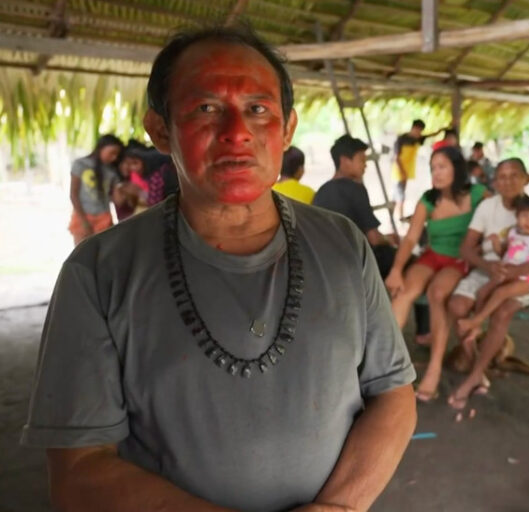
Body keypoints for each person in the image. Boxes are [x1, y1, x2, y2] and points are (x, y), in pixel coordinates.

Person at [22, 24, 417, 512]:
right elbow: (79, 471)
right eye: (206, 108)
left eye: (258, 109)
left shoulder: (343, 244)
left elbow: (393, 394)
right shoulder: (99, 271)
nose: (237, 132)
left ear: (287, 128)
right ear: (160, 130)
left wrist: (339, 507)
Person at [448, 158, 529, 406]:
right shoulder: (488, 207)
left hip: (523, 276)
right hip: (491, 270)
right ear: (494, 181)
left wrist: (515, 271)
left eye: (514, 175)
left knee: (501, 313)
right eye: (502, 177)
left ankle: (474, 375)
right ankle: (478, 363)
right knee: (457, 306)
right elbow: (466, 248)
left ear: (527, 179)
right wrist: (489, 265)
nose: (508, 182)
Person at [385, 146, 488, 402]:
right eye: (433, 168)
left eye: (442, 167)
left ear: (457, 168)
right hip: (433, 255)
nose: (436, 173)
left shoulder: (478, 194)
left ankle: (434, 368)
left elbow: (497, 224)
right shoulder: (428, 200)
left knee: (437, 293)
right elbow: (410, 239)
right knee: (404, 291)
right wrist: (396, 269)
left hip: (461, 259)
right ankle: (386, 362)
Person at [456, 196, 529, 347]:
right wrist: (496, 243)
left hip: (527, 279)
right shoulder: (513, 232)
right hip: (506, 275)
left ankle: (476, 320)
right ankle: (477, 328)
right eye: (525, 215)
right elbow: (504, 253)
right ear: (517, 217)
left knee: (500, 292)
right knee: (482, 292)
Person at [313, 134, 396, 276]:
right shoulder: (356, 189)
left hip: (324, 265)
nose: (365, 165)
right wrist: (389, 239)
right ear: (345, 161)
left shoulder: (321, 191)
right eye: (362, 160)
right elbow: (374, 238)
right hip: (354, 264)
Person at [68, 134, 124, 244]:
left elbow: (118, 201)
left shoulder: (111, 171)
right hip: (82, 216)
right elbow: (73, 195)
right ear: (101, 147)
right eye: (112, 153)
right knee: (83, 252)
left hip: (104, 217)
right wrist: (84, 222)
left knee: (104, 253)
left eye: (117, 155)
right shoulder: (80, 164)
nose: (114, 158)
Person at [390, 120, 443, 222]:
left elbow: (431, 135)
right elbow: (396, 158)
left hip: (406, 172)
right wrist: (402, 172)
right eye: (418, 131)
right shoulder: (401, 139)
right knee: (399, 195)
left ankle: (395, 216)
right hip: (399, 172)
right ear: (414, 128)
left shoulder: (417, 139)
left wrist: (442, 129)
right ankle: (400, 217)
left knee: (398, 194)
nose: (419, 133)